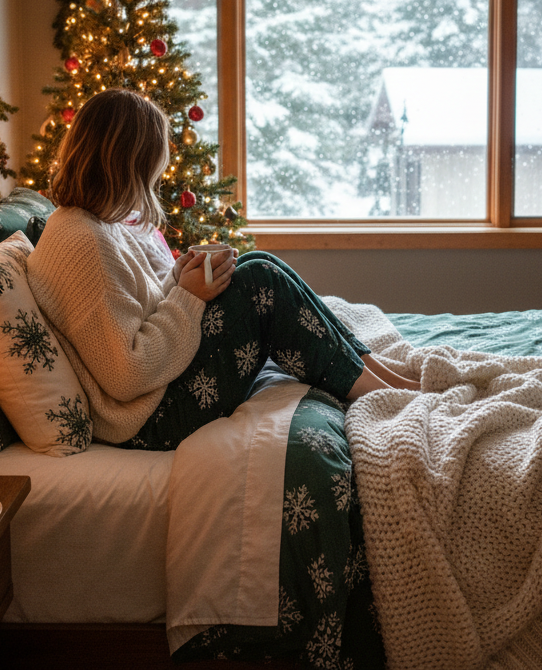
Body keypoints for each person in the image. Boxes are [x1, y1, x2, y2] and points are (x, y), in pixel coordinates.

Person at [26, 87, 419, 453]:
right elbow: (127, 375)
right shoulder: (81, 242)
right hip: (148, 419)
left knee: (258, 264)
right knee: (260, 281)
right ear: (129, 164)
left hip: (156, 395)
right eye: (152, 168)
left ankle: (382, 376)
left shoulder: (95, 224)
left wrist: (178, 277)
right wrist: (188, 295)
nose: (155, 180)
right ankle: (379, 390)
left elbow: (133, 311)